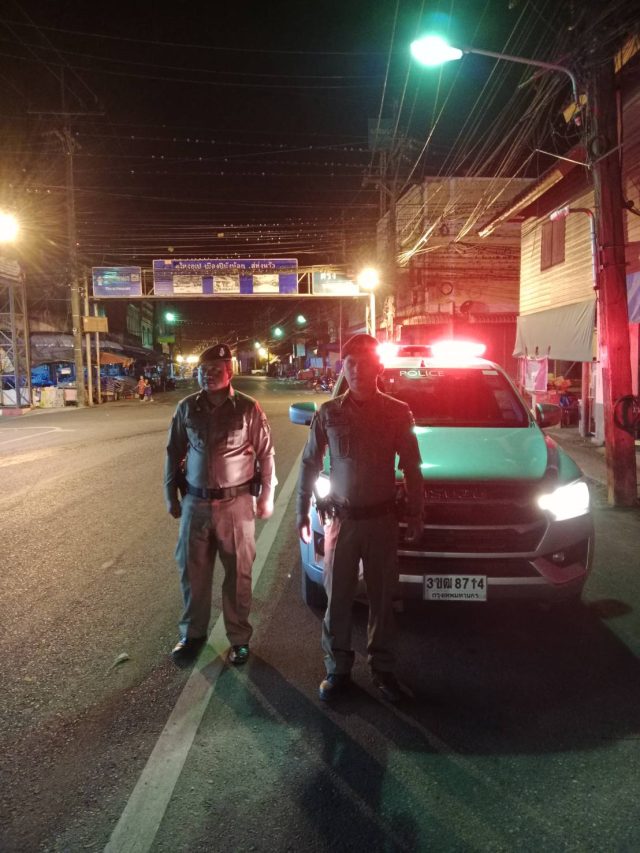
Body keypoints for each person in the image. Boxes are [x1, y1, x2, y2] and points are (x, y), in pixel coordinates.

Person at [296, 334, 423, 703]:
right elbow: (310, 462)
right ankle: (337, 669)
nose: (358, 370)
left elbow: (412, 466)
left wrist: (416, 511)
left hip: (382, 521)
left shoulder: (397, 412)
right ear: (344, 368)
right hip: (342, 522)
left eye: (365, 363)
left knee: (383, 599)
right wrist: (302, 510)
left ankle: (383, 669)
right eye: (351, 363)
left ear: (378, 368)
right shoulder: (328, 413)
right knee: (338, 597)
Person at [164, 343, 276, 667]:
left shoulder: (248, 408)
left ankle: (239, 638)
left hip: (236, 505)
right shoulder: (187, 408)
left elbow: (266, 454)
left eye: (215, 370)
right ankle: (193, 635)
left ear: (229, 373)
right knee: (192, 573)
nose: (207, 375)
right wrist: (170, 494)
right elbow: (173, 451)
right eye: (203, 370)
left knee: (239, 575)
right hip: (195, 503)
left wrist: (266, 496)